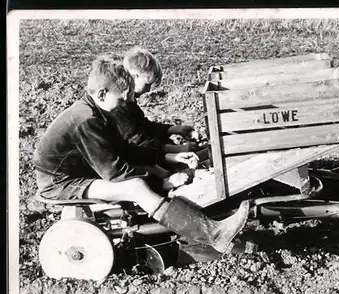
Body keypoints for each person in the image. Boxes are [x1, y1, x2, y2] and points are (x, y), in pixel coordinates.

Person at [33, 56, 249, 254]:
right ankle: (215, 235)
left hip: (72, 173)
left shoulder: (98, 111)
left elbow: (126, 150)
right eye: (120, 99)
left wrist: (166, 159)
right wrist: (162, 182)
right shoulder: (87, 120)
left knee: (142, 181)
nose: (123, 104)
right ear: (101, 94)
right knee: (135, 188)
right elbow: (115, 172)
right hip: (60, 183)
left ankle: (207, 228)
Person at [111, 46, 206, 173]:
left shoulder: (129, 100)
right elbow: (139, 142)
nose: (148, 90)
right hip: (139, 162)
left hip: (149, 154)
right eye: (147, 84)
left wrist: (172, 129)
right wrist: (178, 150)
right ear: (134, 76)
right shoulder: (118, 106)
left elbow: (144, 126)